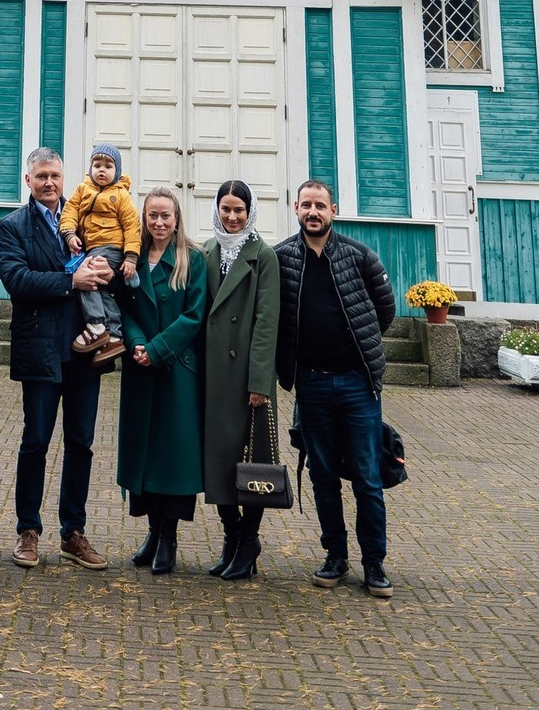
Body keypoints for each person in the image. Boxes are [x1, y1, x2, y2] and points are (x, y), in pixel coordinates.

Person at [275, 178, 398, 601]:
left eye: (320, 206)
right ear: (296, 208)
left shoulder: (360, 256)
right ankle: (335, 556)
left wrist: (360, 350)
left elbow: (386, 310)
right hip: (310, 383)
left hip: (357, 384)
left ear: (334, 210)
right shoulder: (282, 259)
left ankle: (375, 563)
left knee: (366, 477)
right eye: (306, 205)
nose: (313, 212)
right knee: (322, 474)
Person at [0, 146, 113, 571]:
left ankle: (73, 533)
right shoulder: (13, 227)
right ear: (28, 180)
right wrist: (71, 280)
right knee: (36, 443)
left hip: (87, 349)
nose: (49, 183)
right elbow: (16, 280)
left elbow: (108, 264)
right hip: (42, 349)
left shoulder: (84, 218)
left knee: (81, 443)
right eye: (41, 176)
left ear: (65, 180)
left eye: (56, 176)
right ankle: (28, 530)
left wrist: (102, 271)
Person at [117, 185, 208, 576]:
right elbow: (123, 307)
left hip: (176, 372)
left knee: (174, 459)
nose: (158, 222)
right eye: (152, 215)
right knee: (146, 455)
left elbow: (194, 315)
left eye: (165, 216)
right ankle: (153, 534)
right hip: (140, 370)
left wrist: (156, 349)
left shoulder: (193, 259)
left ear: (176, 219)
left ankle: (169, 538)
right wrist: (137, 344)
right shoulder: (131, 258)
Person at [203, 178, 281, 583]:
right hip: (214, 376)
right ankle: (232, 538)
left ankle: (249, 539)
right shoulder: (207, 251)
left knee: (254, 464)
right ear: (216, 209)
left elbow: (267, 323)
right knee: (217, 462)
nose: (232, 217)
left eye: (239, 210)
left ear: (250, 213)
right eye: (226, 208)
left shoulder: (263, 256)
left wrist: (259, 381)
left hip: (247, 379)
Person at [60, 141, 142, 365]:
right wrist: (69, 234)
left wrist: (131, 257)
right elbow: (69, 212)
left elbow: (132, 226)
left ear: (117, 172)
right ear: (90, 169)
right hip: (92, 247)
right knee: (100, 288)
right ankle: (114, 335)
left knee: (87, 276)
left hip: (112, 248)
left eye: (108, 166)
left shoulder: (121, 195)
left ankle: (96, 324)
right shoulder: (82, 189)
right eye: (97, 165)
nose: (102, 170)